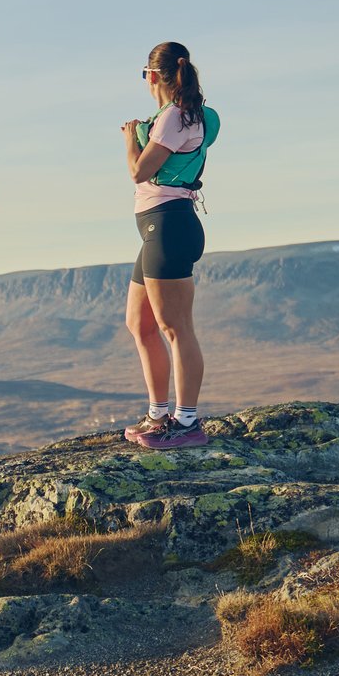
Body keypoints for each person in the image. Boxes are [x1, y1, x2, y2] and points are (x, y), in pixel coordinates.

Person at [121, 41, 218, 449]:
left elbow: (140, 171)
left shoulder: (175, 116)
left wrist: (130, 137)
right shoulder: (187, 115)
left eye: (144, 74)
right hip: (159, 227)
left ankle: (187, 422)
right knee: (139, 323)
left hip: (170, 223)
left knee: (175, 327)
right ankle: (159, 413)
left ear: (154, 76)